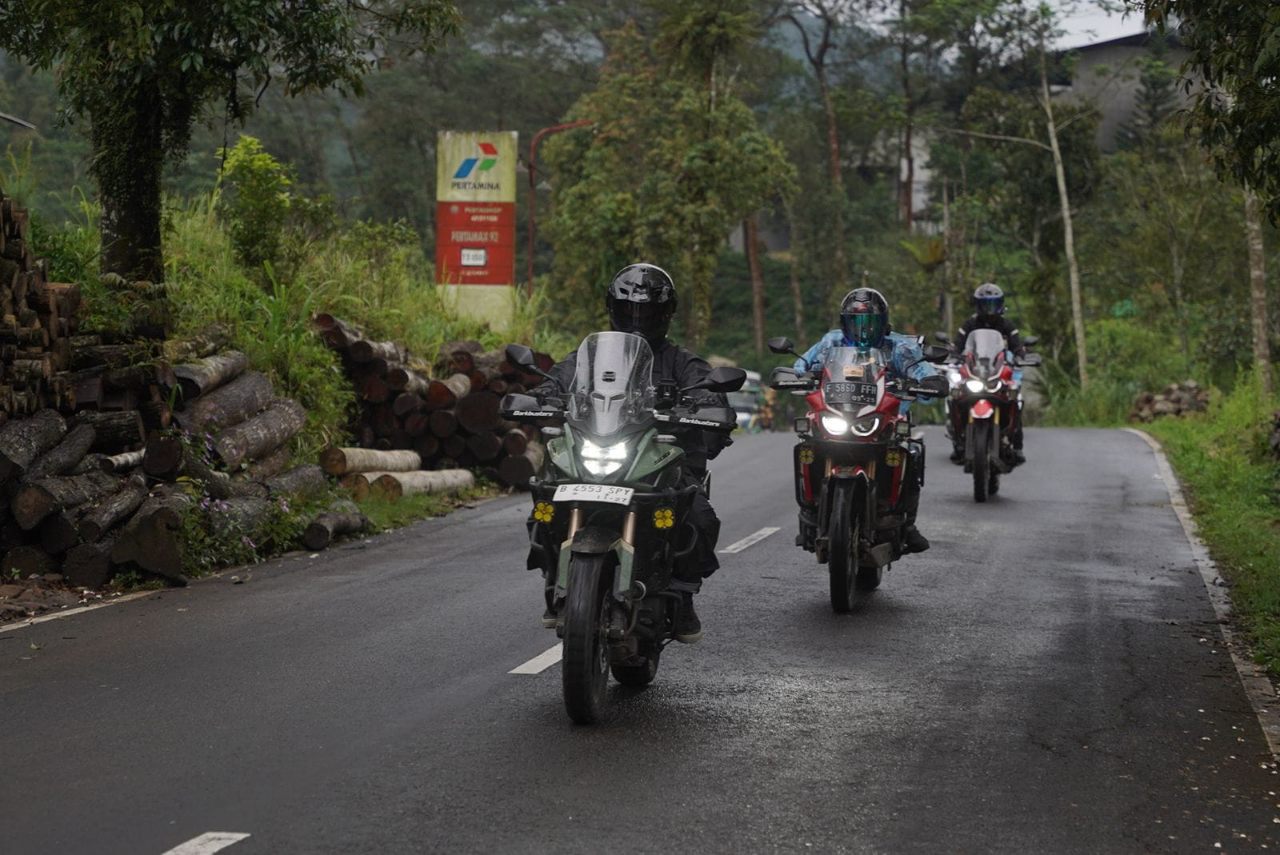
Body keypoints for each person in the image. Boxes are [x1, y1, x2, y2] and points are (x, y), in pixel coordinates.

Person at [529, 263, 728, 643]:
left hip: (658, 461)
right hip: (597, 449)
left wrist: (707, 406)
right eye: (629, 311)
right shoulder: (587, 359)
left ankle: (683, 594)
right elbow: (555, 382)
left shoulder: (682, 362)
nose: (638, 320)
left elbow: (709, 391)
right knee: (545, 500)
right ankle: (554, 576)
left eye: (648, 312)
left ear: (665, 314)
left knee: (699, 516)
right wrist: (541, 397)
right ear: (613, 310)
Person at [792, 287, 940, 554]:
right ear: (844, 322)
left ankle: (907, 523)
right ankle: (810, 509)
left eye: (870, 322)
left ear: (883, 323)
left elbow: (923, 370)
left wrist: (930, 381)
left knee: (911, 453)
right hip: (836, 413)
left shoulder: (900, 347)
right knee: (808, 445)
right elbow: (801, 366)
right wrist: (801, 376)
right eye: (855, 321)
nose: (862, 329)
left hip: (886, 418)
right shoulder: (831, 342)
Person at [951, 283, 1025, 464]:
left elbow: (1017, 346)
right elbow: (957, 344)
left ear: (1000, 304)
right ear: (978, 305)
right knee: (954, 396)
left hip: (999, 372)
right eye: (985, 304)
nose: (989, 309)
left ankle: (1017, 446)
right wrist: (953, 354)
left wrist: (1020, 356)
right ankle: (958, 441)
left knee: (1016, 399)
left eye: (993, 304)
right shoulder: (970, 324)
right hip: (975, 371)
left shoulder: (1006, 325)